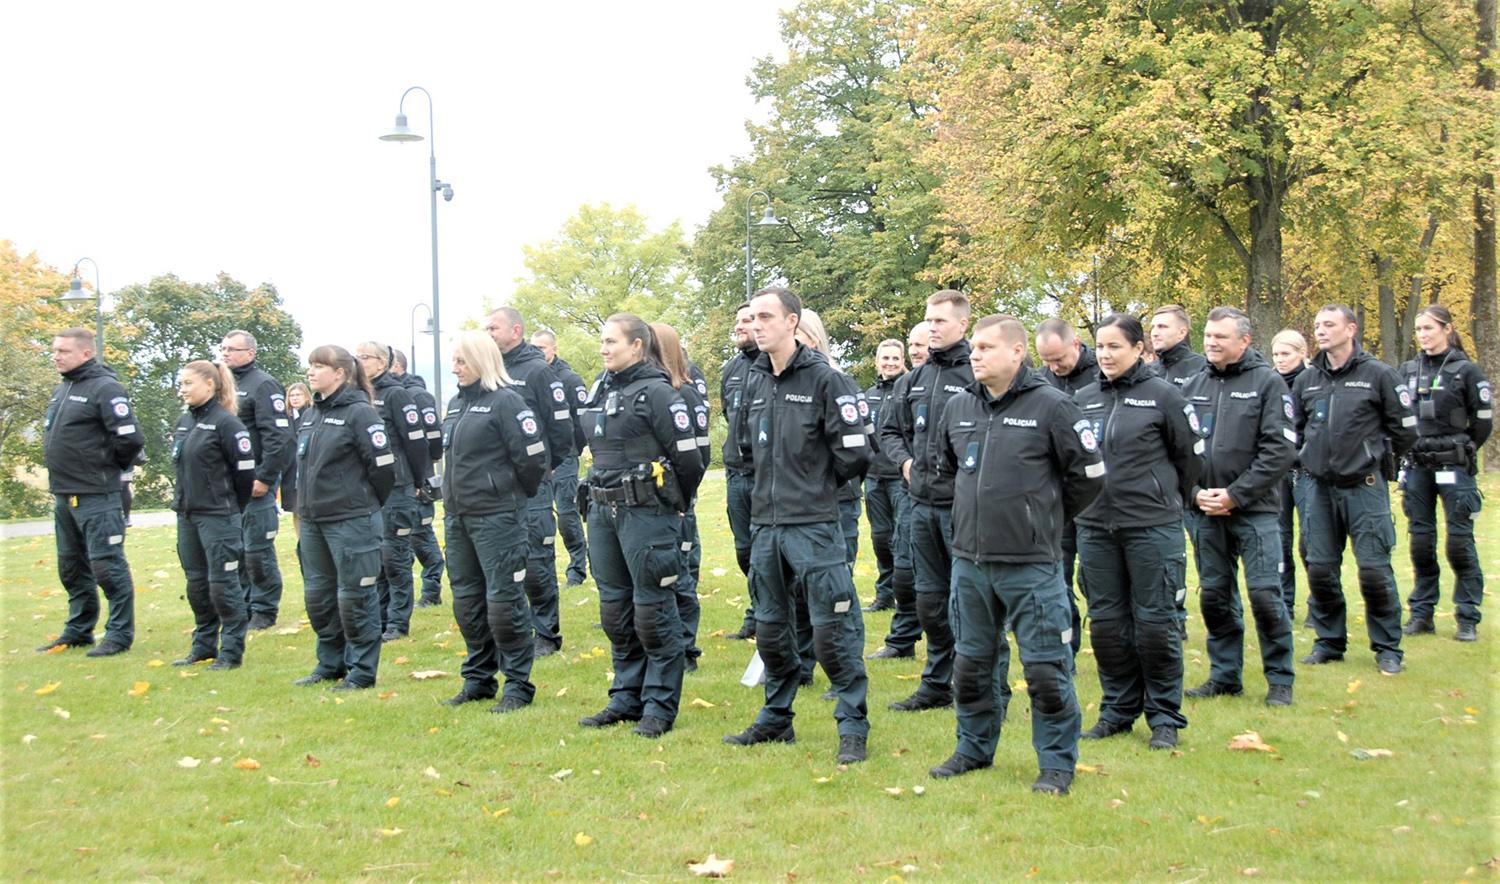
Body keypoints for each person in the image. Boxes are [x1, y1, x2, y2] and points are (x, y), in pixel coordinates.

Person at [929, 315, 1104, 792]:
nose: (975, 355)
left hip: (1031, 565)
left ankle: (1056, 763)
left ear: (1017, 352)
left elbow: (1089, 477)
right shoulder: (959, 407)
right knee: (970, 666)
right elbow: (947, 469)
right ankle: (973, 748)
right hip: (971, 563)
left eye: (986, 347)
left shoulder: (1054, 407)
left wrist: (1041, 518)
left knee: (1046, 670)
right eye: (974, 348)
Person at [724, 287, 872, 763]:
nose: (756, 325)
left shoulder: (827, 380)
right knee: (770, 629)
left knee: (832, 631)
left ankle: (852, 725)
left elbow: (855, 453)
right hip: (766, 525)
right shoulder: (752, 380)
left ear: (792, 322)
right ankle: (776, 718)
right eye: (752, 317)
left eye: (766, 316)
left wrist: (813, 485)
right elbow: (745, 448)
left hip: (813, 524)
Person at [1074, 313, 1200, 750]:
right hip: (1096, 528)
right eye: (1100, 347)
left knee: (1155, 625)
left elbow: (1190, 458)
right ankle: (1116, 710)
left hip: (1151, 527)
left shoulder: (1164, 396)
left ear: (1138, 349)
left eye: (1115, 346)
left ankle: (1164, 716)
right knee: (1107, 625)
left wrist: (1162, 497)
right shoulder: (1084, 399)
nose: (1105, 355)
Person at [577, 314, 704, 738]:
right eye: (602, 341)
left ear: (636, 345)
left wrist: (676, 504)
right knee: (616, 611)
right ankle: (625, 698)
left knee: (653, 612)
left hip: (647, 513)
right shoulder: (601, 388)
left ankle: (659, 706)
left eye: (611, 341)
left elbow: (689, 460)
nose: (603, 349)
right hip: (602, 511)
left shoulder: (660, 393)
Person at [1292, 304, 1418, 674]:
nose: (1320, 330)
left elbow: (1405, 430)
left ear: (1350, 329)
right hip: (1318, 487)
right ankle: (1329, 642)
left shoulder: (1379, 374)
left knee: (1374, 571)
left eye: (1329, 324)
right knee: (1320, 569)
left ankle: (1388, 648)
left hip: (1364, 486)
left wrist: (1373, 457)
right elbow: (1294, 428)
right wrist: (1305, 457)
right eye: (1317, 324)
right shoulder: (1307, 379)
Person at [1181, 308, 1297, 706]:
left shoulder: (1268, 383)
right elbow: (1178, 449)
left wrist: (1236, 494)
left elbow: (1279, 450)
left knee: (1265, 595)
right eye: (1208, 336)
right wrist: (1194, 492)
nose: (1211, 342)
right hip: (1205, 511)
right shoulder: (1193, 384)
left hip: (1254, 510)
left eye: (1221, 337)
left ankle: (1280, 679)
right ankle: (1224, 675)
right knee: (1215, 596)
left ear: (1244, 341)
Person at [439, 332, 550, 712]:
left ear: (481, 361)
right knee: (467, 602)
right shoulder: (456, 404)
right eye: (454, 360)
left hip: (498, 517)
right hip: (458, 518)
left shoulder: (508, 402)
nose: (455, 368)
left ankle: (518, 684)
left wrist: (507, 495)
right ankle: (478, 679)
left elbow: (532, 460)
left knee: (504, 603)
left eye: (461, 361)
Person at [878, 291, 975, 712]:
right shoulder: (915, 379)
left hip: (964, 508)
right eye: (928, 320)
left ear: (962, 325)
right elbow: (889, 431)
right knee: (930, 602)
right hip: (921, 504)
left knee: (971, 602)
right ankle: (936, 685)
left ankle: (983, 690)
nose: (932, 328)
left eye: (940, 321)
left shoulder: (977, 371)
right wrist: (904, 462)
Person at [37, 328, 146, 657]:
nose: (56, 356)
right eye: (55, 350)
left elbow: (130, 439)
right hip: (65, 494)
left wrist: (106, 469)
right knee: (71, 567)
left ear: (86, 353)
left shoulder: (105, 388)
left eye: (63, 351)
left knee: (107, 567)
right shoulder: (64, 389)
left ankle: (119, 634)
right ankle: (79, 630)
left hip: (97, 494)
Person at [293, 345, 396, 690]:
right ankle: (330, 663)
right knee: (318, 597)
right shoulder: (311, 414)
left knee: (355, 598)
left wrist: (363, 502)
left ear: (340, 373)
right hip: (313, 521)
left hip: (351, 519)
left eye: (319, 366)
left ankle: (362, 671)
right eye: (310, 365)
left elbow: (383, 468)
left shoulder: (360, 413)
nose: (311, 372)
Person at [485, 307, 574, 657]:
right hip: (497, 484)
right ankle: (511, 630)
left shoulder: (538, 371)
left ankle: (546, 633)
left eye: (494, 327)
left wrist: (548, 466)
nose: (488, 333)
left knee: (537, 559)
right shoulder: (491, 368)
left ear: (516, 331)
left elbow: (561, 427)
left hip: (533, 482)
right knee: (505, 560)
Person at [1399, 305, 1491, 641]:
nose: (1423, 335)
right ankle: (1422, 614)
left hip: (1454, 466)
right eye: (1419, 329)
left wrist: (1463, 448)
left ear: (1447, 329)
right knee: (1421, 542)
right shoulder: (1408, 370)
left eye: (1429, 328)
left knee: (1459, 542)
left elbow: (1483, 422)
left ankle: (1467, 616)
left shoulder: (1467, 371)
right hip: (1418, 466)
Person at [170, 360, 256, 669]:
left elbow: (244, 475)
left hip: (219, 515)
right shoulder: (185, 422)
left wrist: (230, 507)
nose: (182, 390)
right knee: (197, 585)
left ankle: (231, 652)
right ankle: (203, 647)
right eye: (181, 384)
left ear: (210, 384)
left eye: (188, 383)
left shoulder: (228, 424)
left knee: (223, 585)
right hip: (188, 515)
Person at [355, 342, 435, 643]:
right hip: (368, 487)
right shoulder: (358, 394)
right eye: (357, 356)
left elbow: (416, 441)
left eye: (365, 357)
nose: (359, 361)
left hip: (398, 484)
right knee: (375, 558)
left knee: (395, 556)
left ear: (382, 362)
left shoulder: (396, 395)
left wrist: (418, 480)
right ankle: (379, 617)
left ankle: (398, 621)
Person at [1035, 318, 1101, 657]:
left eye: (1058, 359)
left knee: (1094, 580)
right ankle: (1066, 650)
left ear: (1076, 344)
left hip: (1093, 497)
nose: (1053, 367)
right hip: (1054, 500)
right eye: (1046, 360)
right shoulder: (1039, 381)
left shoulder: (1101, 377)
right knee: (1055, 578)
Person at [220, 330, 294, 632]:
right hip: (228, 483)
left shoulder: (263, 385)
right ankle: (242, 606)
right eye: (223, 348)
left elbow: (278, 437)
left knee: (256, 550)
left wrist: (265, 477)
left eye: (232, 349)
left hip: (255, 481)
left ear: (250, 353)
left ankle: (264, 609)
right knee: (234, 549)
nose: (226, 353)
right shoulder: (222, 383)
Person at [648, 323, 712, 672]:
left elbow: (698, 455)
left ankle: (686, 648)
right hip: (647, 504)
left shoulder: (684, 393)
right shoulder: (648, 391)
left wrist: (684, 499)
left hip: (677, 501)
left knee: (680, 573)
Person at [869, 322, 930, 661]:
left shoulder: (966, 378)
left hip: (951, 494)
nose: (917, 349)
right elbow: (888, 431)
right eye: (914, 343)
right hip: (904, 483)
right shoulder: (906, 386)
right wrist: (906, 462)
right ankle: (902, 640)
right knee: (903, 566)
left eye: (923, 343)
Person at [531, 330, 592, 587]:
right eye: (534, 348)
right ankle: (543, 572)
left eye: (542, 348)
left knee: (567, 515)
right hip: (539, 459)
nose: (537, 352)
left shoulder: (569, 379)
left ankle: (577, 569)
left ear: (554, 349)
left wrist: (570, 450)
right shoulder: (531, 376)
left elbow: (582, 421)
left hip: (565, 456)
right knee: (539, 516)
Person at [391, 350, 446, 608]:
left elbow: (433, 436)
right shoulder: (380, 395)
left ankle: (431, 590)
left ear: (395, 365)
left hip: (417, 477)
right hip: (393, 481)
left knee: (420, 536)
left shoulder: (418, 395)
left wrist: (425, 471)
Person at [720, 303, 761, 641]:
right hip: (736, 474)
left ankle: (768, 614)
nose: (740, 326)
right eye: (738, 321)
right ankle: (759, 608)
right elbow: (727, 413)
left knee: (769, 549)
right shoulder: (731, 369)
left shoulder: (774, 364)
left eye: (747, 320)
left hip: (766, 474)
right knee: (744, 550)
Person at [861, 338, 908, 613]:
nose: (890, 363)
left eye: (895, 358)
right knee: (880, 538)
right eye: (885, 358)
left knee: (903, 538)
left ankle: (907, 594)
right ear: (877, 362)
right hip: (874, 477)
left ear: (903, 361)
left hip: (900, 478)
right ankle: (884, 595)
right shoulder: (869, 395)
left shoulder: (908, 390)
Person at [1269, 330, 1311, 620]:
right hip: (1278, 473)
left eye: (1286, 354)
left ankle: (1319, 603)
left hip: (1306, 470)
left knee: (1311, 540)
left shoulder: (1312, 381)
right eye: (1276, 354)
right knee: (1280, 539)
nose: (1280, 360)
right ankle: (1285, 602)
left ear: (1301, 353)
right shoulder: (1269, 383)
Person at [1149, 305, 1208, 389]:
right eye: (1152, 327)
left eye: (1162, 326)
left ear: (1182, 332)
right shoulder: (1148, 371)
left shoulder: (1203, 368)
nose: (1154, 333)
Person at [281, 382, 312, 537]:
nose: (295, 398)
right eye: (292, 395)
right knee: (295, 509)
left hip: (307, 467)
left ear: (306, 396)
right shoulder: (285, 417)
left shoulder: (312, 414)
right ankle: (300, 541)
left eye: (298, 394)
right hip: (290, 469)